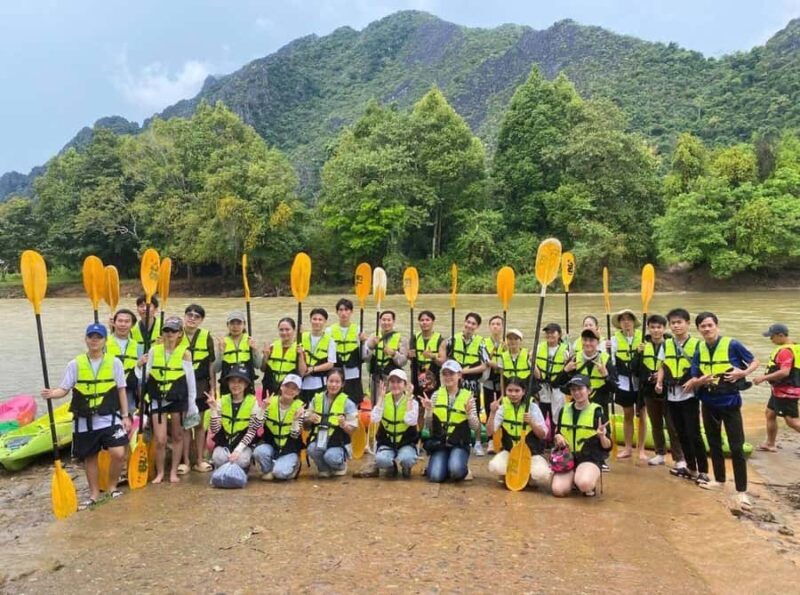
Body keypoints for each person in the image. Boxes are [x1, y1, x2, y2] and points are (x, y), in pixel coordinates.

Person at [41, 323, 131, 508]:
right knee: (90, 458)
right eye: (91, 337)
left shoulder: (115, 363)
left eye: (98, 337)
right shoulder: (75, 364)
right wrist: (52, 394)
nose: (94, 340)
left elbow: (121, 390)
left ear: (105, 340)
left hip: (109, 417)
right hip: (84, 421)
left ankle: (112, 487)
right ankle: (94, 494)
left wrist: (125, 415)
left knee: (119, 453)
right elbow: (64, 389)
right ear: (86, 340)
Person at [685, 312, 759, 511]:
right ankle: (719, 480)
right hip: (708, 402)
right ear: (698, 329)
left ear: (716, 326)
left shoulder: (732, 344)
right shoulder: (699, 348)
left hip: (730, 402)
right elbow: (694, 376)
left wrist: (742, 373)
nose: (707, 329)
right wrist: (701, 381)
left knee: (736, 447)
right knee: (714, 442)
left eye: (710, 325)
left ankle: (741, 491)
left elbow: (754, 361)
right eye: (703, 326)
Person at [144, 316, 197, 483]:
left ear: (180, 333)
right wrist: (139, 366)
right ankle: (160, 473)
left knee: (178, 435)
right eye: (166, 330)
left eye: (173, 330)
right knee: (160, 439)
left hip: (177, 398)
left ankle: (173, 471)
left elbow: (190, 381)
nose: (169, 334)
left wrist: (192, 403)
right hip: (157, 399)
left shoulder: (185, 354)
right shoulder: (154, 351)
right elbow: (145, 375)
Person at [660, 308, 707, 481]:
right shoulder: (667, 344)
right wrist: (659, 382)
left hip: (689, 396)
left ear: (687, 324)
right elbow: (663, 366)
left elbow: (704, 368)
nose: (676, 326)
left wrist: (695, 381)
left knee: (694, 433)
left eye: (679, 322)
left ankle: (703, 471)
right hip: (672, 395)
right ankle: (691, 468)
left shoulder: (698, 345)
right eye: (673, 323)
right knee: (681, 433)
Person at [551, 375, 612, 497]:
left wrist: (602, 436)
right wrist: (557, 437)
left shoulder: (597, 412)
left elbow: (608, 446)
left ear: (589, 390)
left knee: (584, 484)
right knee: (558, 490)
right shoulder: (565, 409)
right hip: (568, 458)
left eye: (580, 389)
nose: (576, 393)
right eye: (573, 390)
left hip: (589, 458)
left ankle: (586, 480)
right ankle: (573, 477)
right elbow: (558, 433)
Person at [421, 360, 479, 482]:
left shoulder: (468, 396)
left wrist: (469, 414)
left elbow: (475, 427)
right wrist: (428, 411)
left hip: (459, 443)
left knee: (456, 471)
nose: (448, 377)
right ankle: (441, 465)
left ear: (459, 376)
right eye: (445, 374)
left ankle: (462, 468)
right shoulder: (436, 395)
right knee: (435, 477)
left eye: (451, 374)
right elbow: (428, 426)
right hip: (440, 444)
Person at [486, 377, 549, 489]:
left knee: (541, 473)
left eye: (517, 391)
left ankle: (528, 476)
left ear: (523, 392)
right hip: (510, 452)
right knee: (495, 466)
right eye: (510, 391)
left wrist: (532, 422)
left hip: (530, 453)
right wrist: (492, 413)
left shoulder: (533, 408)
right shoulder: (502, 408)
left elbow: (543, 434)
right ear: (505, 391)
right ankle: (507, 473)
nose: (513, 394)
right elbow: (490, 431)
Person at [440, 313, 488, 456]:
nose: (469, 326)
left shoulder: (481, 342)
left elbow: (484, 365)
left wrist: (465, 371)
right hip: (455, 382)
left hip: (471, 383)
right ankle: (450, 438)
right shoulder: (453, 340)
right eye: (468, 322)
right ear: (464, 322)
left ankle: (478, 442)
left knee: (474, 412)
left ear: (477, 327)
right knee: (452, 410)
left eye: (473, 324)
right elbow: (442, 348)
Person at [640, 314, 684, 468]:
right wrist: (639, 354)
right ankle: (660, 453)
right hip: (649, 390)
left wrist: (660, 378)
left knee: (672, 424)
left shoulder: (671, 344)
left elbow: (672, 366)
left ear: (664, 328)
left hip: (667, 389)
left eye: (659, 327)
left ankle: (679, 458)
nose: (656, 330)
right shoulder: (643, 344)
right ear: (648, 328)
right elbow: (635, 368)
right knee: (656, 423)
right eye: (652, 327)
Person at [179, 304, 215, 474]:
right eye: (190, 315)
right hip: (182, 386)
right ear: (184, 317)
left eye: (197, 316)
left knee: (199, 424)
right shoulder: (176, 333)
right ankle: (185, 461)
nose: (192, 318)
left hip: (201, 386)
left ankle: (199, 460)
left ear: (201, 320)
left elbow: (211, 365)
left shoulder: (206, 337)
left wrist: (213, 388)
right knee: (186, 425)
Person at [754, 323, 800, 453]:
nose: (770, 339)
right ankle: (770, 443)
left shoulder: (785, 351)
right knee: (770, 413)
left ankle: (770, 443)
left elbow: (785, 372)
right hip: (779, 390)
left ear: (781, 335)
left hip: (786, 391)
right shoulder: (795, 347)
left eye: (772, 336)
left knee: (792, 421)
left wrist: (763, 378)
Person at [207, 364, 261, 474]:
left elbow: (252, 432)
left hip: (243, 445)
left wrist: (237, 451)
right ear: (228, 383)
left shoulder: (252, 402)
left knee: (241, 460)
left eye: (240, 381)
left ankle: (237, 469)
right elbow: (215, 429)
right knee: (217, 457)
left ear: (246, 384)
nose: (236, 385)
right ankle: (227, 470)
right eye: (232, 381)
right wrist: (213, 410)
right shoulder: (222, 400)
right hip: (225, 444)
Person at [304, 368, 358, 477]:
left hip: (338, 442)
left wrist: (344, 424)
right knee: (311, 449)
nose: (333, 385)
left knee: (331, 457)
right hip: (319, 439)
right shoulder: (316, 399)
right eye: (331, 381)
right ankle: (323, 468)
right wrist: (309, 419)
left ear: (342, 384)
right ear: (326, 381)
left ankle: (340, 465)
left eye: (337, 382)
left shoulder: (348, 403)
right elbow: (306, 426)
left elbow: (353, 430)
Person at [610, 309, 647, 462]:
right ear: (619, 323)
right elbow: (610, 360)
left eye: (629, 319)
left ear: (633, 322)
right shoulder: (614, 340)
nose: (626, 322)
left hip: (640, 381)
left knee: (642, 415)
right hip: (624, 381)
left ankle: (642, 448)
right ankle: (627, 448)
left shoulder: (643, 337)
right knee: (627, 415)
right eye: (623, 320)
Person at [253, 374, 305, 481]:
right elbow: (256, 425)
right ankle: (269, 470)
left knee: (280, 473)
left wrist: (295, 420)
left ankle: (290, 467)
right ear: (281, 386)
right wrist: (263, 409)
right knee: (259, 451)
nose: (289, 390)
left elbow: (295, 435)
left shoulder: (299, 407)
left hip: (289, 449)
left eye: (294, 388)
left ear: (298, 392)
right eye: (287, 386)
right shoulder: (270, 402)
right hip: (272, 445)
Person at [371, 369, 419, 478]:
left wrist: (409, 399)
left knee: (407, 459)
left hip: (406, 442)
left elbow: (410, 420)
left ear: (405, 384)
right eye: (392, 382)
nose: (395, 385)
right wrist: (380, 398)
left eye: (399, 382)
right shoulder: (384, 399)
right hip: (387, 442)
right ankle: (391, 467)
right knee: (381, 460)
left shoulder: (412, 401)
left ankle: (406, 466)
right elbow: (374, 419)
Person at [532, 323, 569, 433]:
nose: (550, 335)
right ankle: (543, 439)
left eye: (553, 332)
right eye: (547, 333)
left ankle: (555, 437)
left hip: (556, 387)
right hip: (542, 386)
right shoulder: (539, 348)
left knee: (556, 414)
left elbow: (567, 372)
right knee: (542, 410)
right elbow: (533, 365)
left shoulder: (565, 351)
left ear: (559, 334)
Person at [214, 311, 261, 394]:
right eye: (232, 323)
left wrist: (255, 350)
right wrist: (221, 352)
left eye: (238, 323)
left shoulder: (250, 340)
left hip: (246, 381)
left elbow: (258, 365)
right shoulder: (222, 342)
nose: (235, 327)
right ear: (227, 325)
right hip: (228, 382)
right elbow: (216, 369)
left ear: (244, 324)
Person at [106, 308, 141, 414]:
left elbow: (140, 377)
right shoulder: (103, 343)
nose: (123, 324)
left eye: (127, 322)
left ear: (132, 325)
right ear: (114, 323)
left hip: (129, 391)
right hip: (108, 391)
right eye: (120, 321)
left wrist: (141, 400)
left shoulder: (138, 347)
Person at [328, 299, 364, 404]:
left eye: (347, 310)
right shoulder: (329, 330)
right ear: (337, 312)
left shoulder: (359, 330)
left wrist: (366, 341)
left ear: (351, 312)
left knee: (354, 402)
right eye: (341, 310)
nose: (344, 313)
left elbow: (365, 355)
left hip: (353, 373)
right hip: (336, 373)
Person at [298, 308, 337, 404]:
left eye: (320, 320)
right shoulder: (301, 337)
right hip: (301, 383)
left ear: (325, 322)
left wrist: (312, 369)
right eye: (314, 319)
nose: (317, 322)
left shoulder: (330, 340)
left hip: (319, 383)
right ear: (310, 320)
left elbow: (331, 363)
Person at [364, 310, 409, 384]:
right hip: (376, 377)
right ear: (379, 321)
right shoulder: (373, 337)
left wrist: (394, 354)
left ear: (393, 321)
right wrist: (371, 346)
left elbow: (403, 362)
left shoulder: (401, 339)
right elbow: (365, 358)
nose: (386, 323)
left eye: (389, 320)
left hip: (393, 378)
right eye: (384, 320)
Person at [408, 310, 443, 396]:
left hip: (433, 379)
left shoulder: (440, 340)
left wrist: (432, 357)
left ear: (433, 322)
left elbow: (443, 362)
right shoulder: (414, 338)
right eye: (422, 320)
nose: (424, 322)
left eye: (427, 320)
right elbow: (409, 357)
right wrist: (409, 355)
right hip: (416, 378)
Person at [262, 317, 299, 395]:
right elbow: (263, 369)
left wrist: (301, 355)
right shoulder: (272, 347)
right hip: (271, 387)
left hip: (289, 388)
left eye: (287, 329)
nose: (284, 332)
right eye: (281, 330)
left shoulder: (299, 349)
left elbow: (302, 372)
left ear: (294, 330)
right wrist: (265, 356)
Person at [482, 315, 505, 427]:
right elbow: (485, 360)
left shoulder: (507, 343)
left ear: (502, 327)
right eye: (493, 324)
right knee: (488, 405)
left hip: (502, 379)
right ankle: (490, 435)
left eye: (498, 324)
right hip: (488, 378)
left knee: (502, 405)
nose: (495, 327)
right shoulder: (484, 342)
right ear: (489, 327)